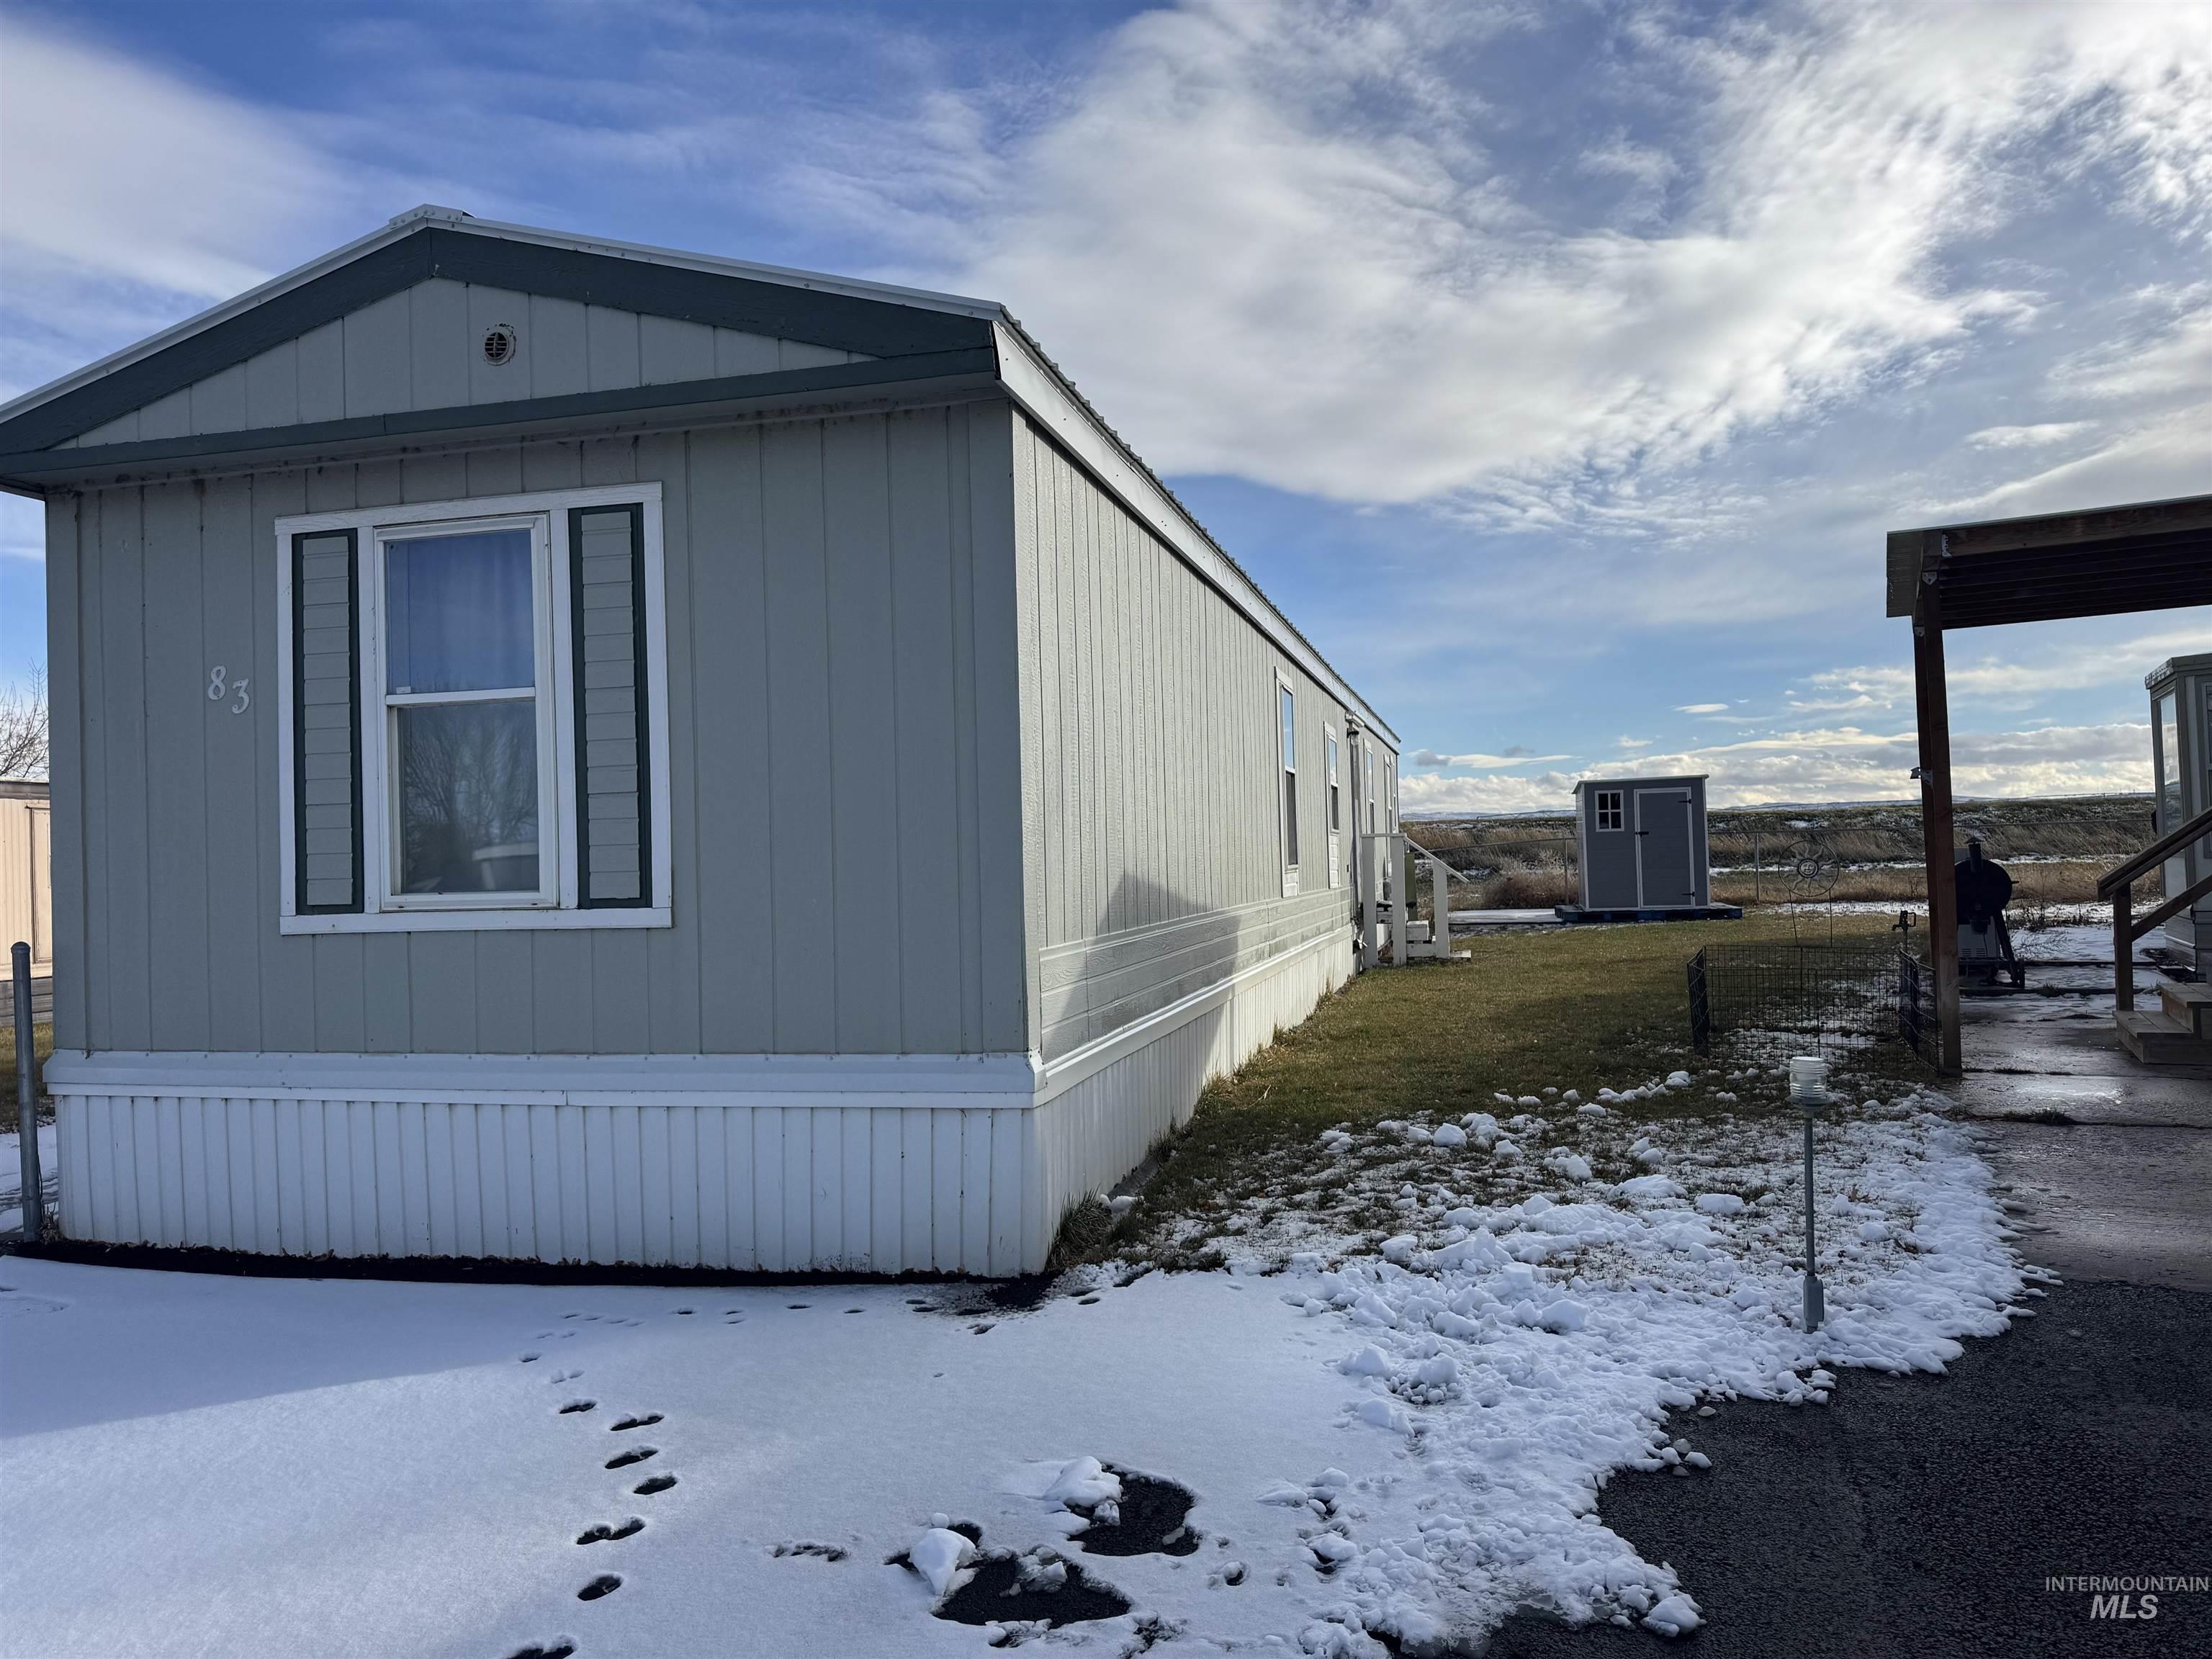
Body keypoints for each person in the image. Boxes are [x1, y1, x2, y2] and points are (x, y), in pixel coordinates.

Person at [1954, 836, 2019, 986]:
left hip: (1978, 906)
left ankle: (1948, 972)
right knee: (2002, 936)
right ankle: (2013, 971)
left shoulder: (1967, 877)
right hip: (1988, 906)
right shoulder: (1990, 880)